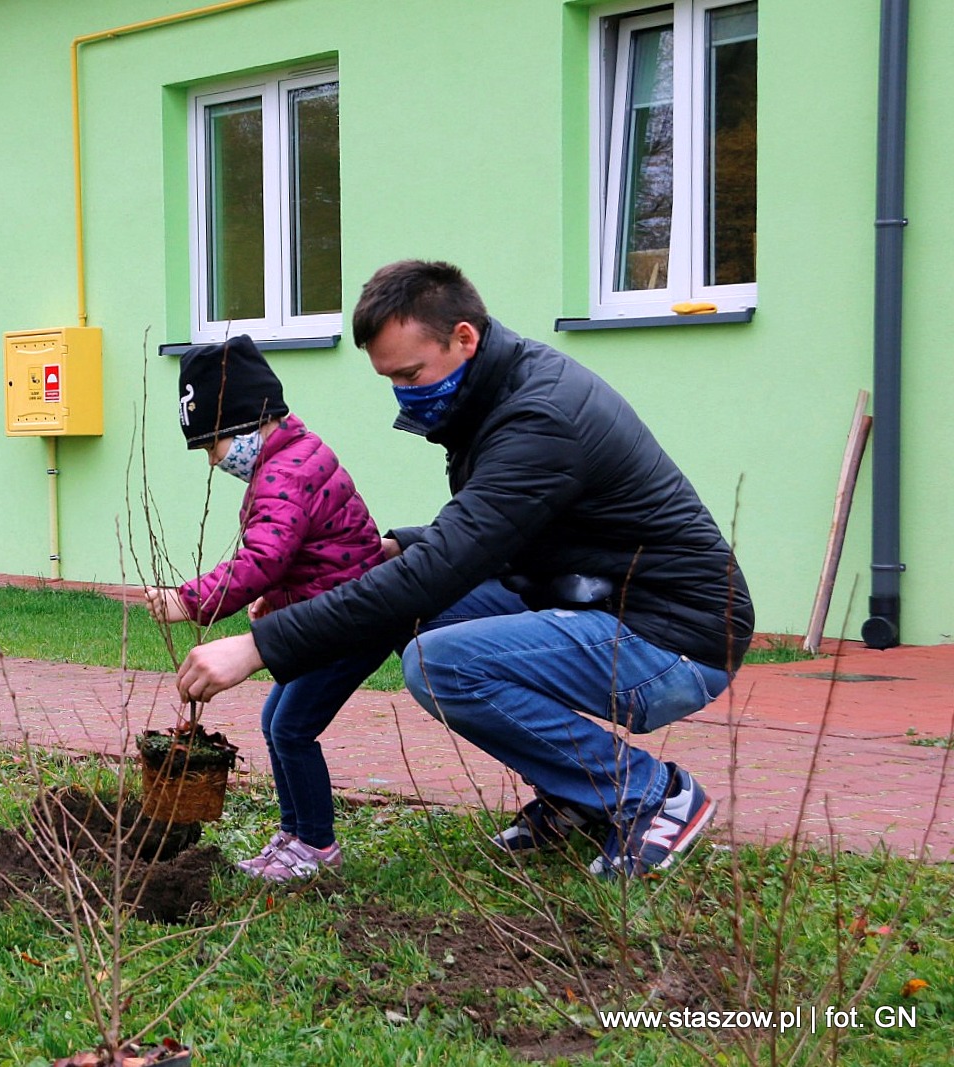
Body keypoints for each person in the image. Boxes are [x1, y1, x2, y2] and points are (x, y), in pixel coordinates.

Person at [175, 261, 755, 878]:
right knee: (412, 616)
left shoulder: (541, 417)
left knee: (441, 661)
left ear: (464, 338)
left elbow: (447, 564)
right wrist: (405, 545)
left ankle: (651, 795)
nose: (403, 392)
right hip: (593, 601)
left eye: (410, 373)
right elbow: (500, 529)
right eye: (389, 379)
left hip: (673, 639)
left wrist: (259, 646)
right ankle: (577, 795)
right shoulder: (497, 394)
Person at [145, 336, 386, 881]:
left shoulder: (285, 472)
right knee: (276, 721)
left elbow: (265, 557)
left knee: (292, 728)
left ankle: (317, 848)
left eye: (214, 444)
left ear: (251, 421)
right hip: (328, 615)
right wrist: (272, 601)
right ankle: (294, 836)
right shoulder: (287, 459)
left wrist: (189, 600)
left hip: (348, 625)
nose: (213, 461)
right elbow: (306, 556)